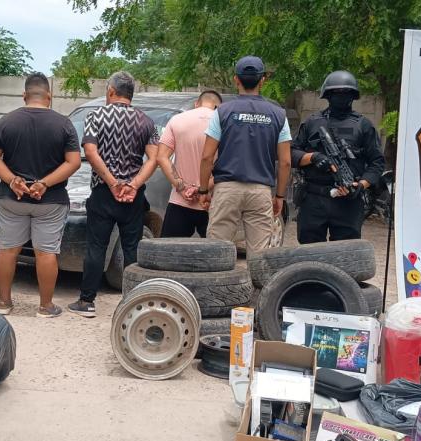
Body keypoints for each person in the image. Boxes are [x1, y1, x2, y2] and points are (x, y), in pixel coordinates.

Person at [0, 73, 81, 318]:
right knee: (46, 252)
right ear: (49, 97)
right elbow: (74, 162)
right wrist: (45, 183)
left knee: (7, 250)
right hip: (50, 200)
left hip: (12, 198)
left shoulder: (6, 121)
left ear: (24, 95)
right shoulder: (64, 124)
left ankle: (4, 303)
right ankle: (46, 307)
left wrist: (12, 180)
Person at [68, 71, 159, 318]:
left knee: (96, 246)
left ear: (110, 91)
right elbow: (154, 158)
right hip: (133, 196)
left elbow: (90, 151)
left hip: (103, 192)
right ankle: (132, 304)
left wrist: (112, 182)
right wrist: (134, 183)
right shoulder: (146, 121)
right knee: (131, 248)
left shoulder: (96, 116)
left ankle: (87, 301)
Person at [198, 56, 291, 254]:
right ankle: (258, 286)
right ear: (262, 80)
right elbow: (285, 162)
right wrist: (280, 196)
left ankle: (216, 286)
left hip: (226, 190)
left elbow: (207, 157)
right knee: (259, 257)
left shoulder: (222, 112)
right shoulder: (279, 115)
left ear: (236, 80)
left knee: (217, 252)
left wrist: (203, 190)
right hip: (260, 190)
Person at [290, 70, 385, 243]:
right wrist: (313, 157)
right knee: (309, 256)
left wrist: (361, 185)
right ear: (327, 95)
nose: (341, 97)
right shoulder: (312, 122)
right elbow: (292, 153)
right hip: (314, 198)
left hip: (348, 201)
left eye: (346, 93)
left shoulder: (363, 125)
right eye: (336, 93)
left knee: (345, 257)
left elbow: (377, 163)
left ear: (353, 96)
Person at [157, 90, 223, 237]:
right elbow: (229, 167)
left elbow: (161, 157)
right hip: (212, 202)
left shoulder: (177, 120)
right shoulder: (224, 124)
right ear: (219, 107)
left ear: (196, 104)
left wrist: (181, 188)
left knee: (170, 253)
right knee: (216, 255)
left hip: (179, 201)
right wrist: (201, 189)